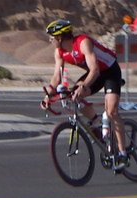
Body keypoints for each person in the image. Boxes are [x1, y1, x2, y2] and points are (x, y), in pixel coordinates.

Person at [42, 19, 128, 169]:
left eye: (51, 37)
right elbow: (57, 76)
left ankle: (122, 153)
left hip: (109, 71)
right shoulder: (59, 52)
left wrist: (84, 86)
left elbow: (95, 69)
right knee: (73, 97)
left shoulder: (83, 42)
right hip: (95, 74)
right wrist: (48, 95)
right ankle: (96, 122)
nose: (50, 40)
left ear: (60, 37)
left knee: (112, 111)